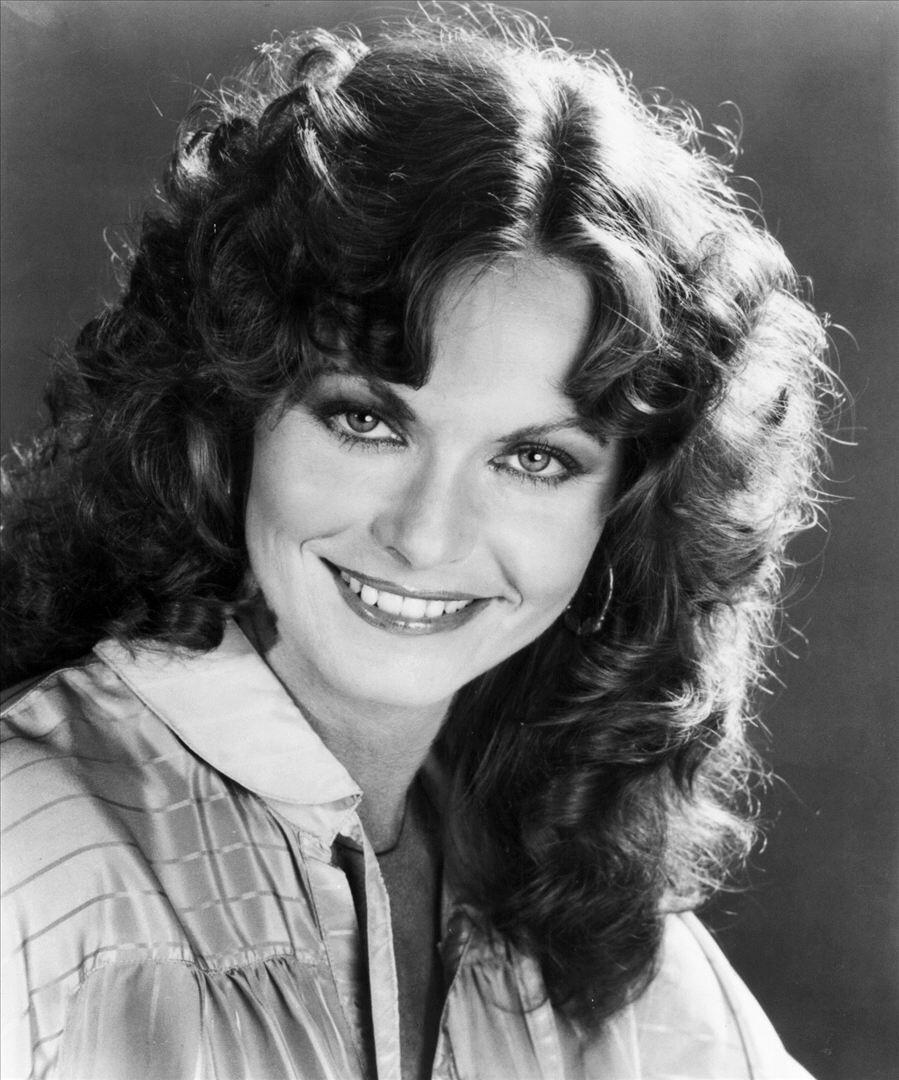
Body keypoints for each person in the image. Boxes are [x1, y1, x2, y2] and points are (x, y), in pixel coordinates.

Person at [0, 9, 831, 1079]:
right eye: (366, 421)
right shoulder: (28, 851)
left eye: (533, 459)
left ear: (627, 513)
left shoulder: (571, 924)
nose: (425, 536)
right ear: (229, 409)